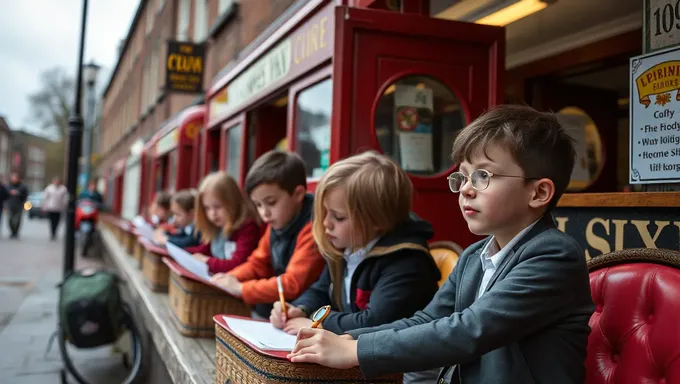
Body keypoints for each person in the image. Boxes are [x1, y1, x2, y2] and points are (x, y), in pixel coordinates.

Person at [287, 105, 595, 384]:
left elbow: (469, 330)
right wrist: (346, 338)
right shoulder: (474, 256)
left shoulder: (555, 254)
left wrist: (356, 351)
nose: (466, 191)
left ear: (539, 193)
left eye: (483, 175)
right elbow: (427, 320)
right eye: (462, 177)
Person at [270, 151, 441, 383]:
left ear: (378, 220)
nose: (326, 223)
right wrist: (298, 308)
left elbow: (374, 322)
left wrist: (314, 322)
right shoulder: (347, 246)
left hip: (408, 372)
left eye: (338, 217)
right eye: (325, 213)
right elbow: (322, 289)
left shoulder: (406, 262)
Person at [211, 150, 326, 319]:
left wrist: (241, 289)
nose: (264, 213)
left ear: (298, 194)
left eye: (271, 202)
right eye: (258, 204)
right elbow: (257, 263)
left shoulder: (313, 226)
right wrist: (229, 277)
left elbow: (293, 283)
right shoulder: (277, 222)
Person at [182, 173, 262, 273]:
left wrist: (206, 261)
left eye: (218, 207)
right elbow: (205, 250)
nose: (212, 213)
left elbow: (238, 264)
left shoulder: (248, 228)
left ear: (233, 202)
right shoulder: (217, 227)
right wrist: (182, 253)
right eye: (207, 208)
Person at [5, 172, 28, 239]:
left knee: (17, 219)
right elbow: (5, 195)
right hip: (10, 205)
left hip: (19, 205)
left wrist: (18, 193)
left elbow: (25, 195)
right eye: (12, 178)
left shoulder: (23, 186)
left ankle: (16, 232)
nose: (13, 179)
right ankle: (12, 232)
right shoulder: (8, 186)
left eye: (15, 178)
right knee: (10, 219)